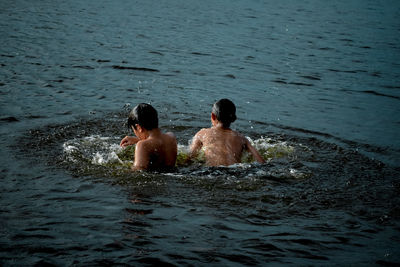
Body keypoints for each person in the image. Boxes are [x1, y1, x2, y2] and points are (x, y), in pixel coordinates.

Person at [189, 99, 265, 166]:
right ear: (233, 118)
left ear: (213, 116)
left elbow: (190, 158)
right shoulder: (242, 138)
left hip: (213, 172)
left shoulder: (202, 134)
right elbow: (261, 162)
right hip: (236, 172)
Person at [120, 103, 177, 171]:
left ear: (139, 127)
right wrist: (137, 140)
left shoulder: (142, 145)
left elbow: (137, 171)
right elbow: (157, 144)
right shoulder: (171, 137)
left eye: (134, 130)